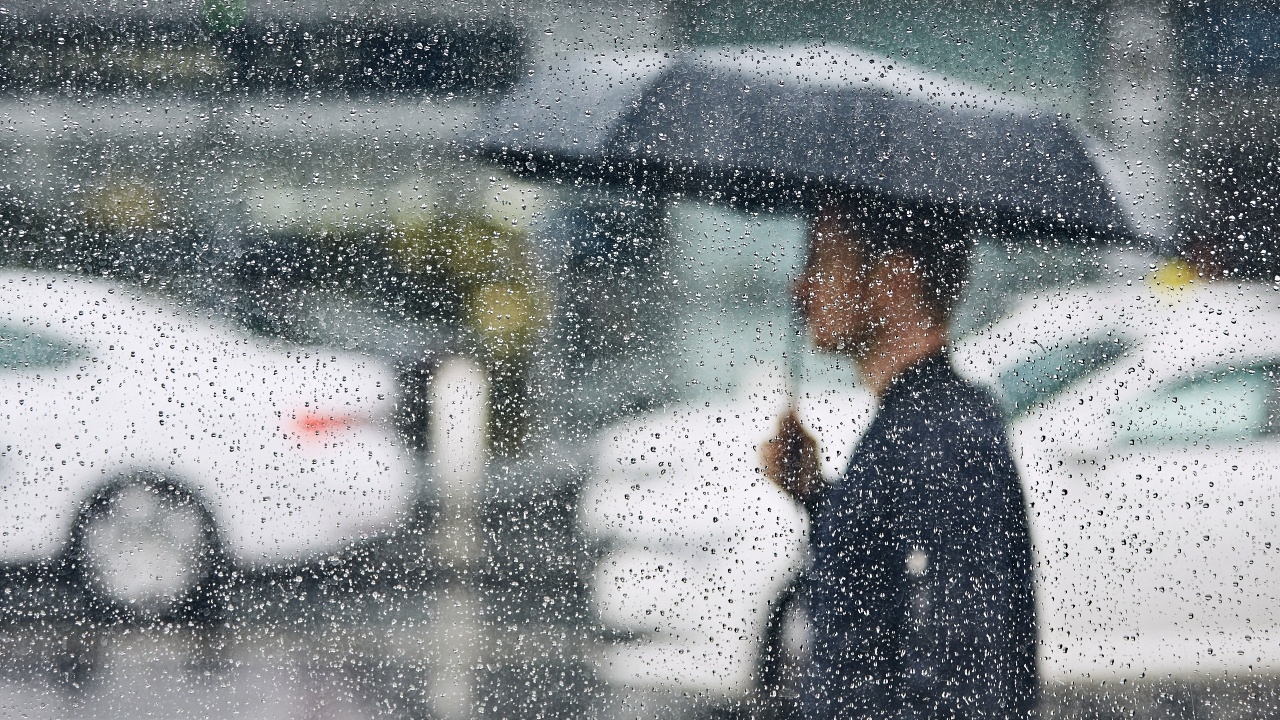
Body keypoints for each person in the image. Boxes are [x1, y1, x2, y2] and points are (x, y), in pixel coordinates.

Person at [763, 198, 1038, 720]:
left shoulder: (939, 438)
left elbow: (964, 664)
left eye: (822, 262)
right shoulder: (916, 424)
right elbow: (881, 592)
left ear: (894, 279)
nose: (799, 290)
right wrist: (816, 496)